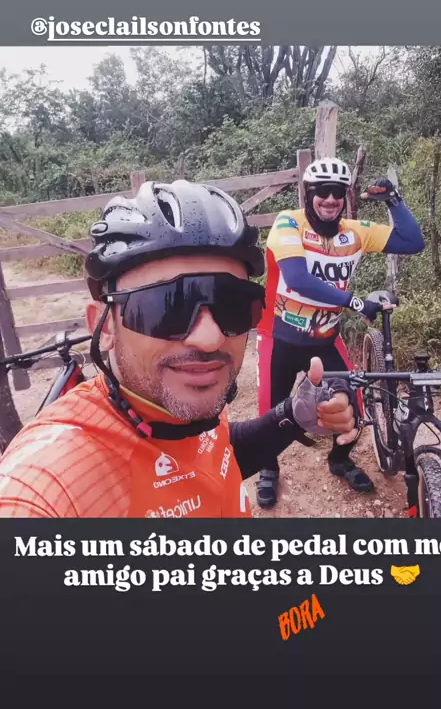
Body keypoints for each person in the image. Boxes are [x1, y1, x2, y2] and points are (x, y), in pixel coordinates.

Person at [0, 179, 358, 518]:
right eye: (166, 307)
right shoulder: (50, 485)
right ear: (104, 326)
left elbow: (211, 454)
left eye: (232, 306)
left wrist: (292, 415)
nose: (210, 338)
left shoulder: (174, 407)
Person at [255, 157, 425, 508]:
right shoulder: (288, 223)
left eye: (337, 192)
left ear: (346, 196)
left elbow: (412, 241)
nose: (330, 199)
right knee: (271, 411)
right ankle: (268, 467)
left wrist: (393, 200)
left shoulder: (356, 231)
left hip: (326, 338)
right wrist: (356, 303)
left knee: (354, 405)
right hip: (279, 337)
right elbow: (298, 280)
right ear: (308, 194)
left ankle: (340, 460)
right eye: (322, 191)